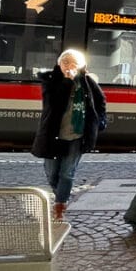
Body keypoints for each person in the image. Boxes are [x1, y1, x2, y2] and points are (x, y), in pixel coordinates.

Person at [31, 49, 107, 221]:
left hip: (77, 135)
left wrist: (100, 122)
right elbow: (54, 103)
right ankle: (61, 195)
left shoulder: (88, 82)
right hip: (53, 135)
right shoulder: (50, 80)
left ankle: (60, 205)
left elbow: (101, 101)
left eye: (74, 62)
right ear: (59, 64)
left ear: (81, 65)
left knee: (67, 173)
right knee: (52, 173)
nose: (69, 66)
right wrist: (67, 81)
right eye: (65, 62)